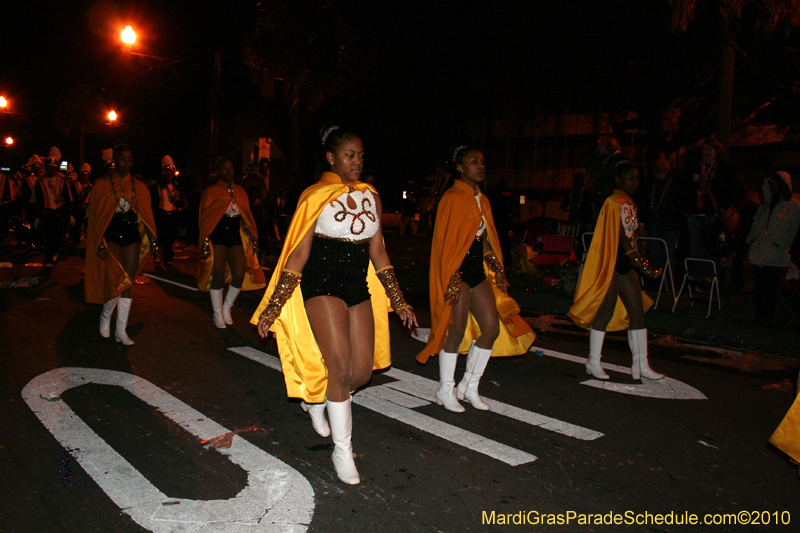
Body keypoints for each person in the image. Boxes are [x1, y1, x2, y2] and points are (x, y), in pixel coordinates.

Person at [252, 126, 417, 485]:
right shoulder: (315, 196)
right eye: (349, 155)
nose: (356, 161)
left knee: (361, 374)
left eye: (360, 155)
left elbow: (378, 251)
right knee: (339, 368)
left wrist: (398, 299)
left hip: (357, 285)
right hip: (321, 283)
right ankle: (343, 451)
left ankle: (317, 402)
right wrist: (274, 305)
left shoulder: (371, 195)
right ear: (331, 157)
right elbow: (298, 252)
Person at [417, 145, 536, 413]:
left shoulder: (482, 199)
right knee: (456, 331)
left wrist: (498, 270)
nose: (480, 166)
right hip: (456, 273)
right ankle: (445, 389)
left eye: (482, 162)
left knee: (491, 329)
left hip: (477, 271)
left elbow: (482, 241)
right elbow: (448, 244)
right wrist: (453, 278)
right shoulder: (452, 197)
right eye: (474, 162)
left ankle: (469, 386)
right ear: (459, 167)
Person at [568, 160, 665, 381]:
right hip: (613, 261)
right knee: (605, 311)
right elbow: (620, 237)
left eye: (638, 178)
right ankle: (593, 361)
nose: (635, 182)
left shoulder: (628, 202)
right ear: (619, 179)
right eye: (631, 178)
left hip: (626, 262)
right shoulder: (613, 202)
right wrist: (640, 262)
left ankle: (641, 365)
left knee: (637, 313)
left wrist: (638, 256)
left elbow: (632, 235)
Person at [85, 144, 157, 345]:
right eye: (123, 159)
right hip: (111, 236)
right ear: (115, 160)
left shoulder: (140, 186)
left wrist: (153, 241)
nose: (127, 163)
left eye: (130, 159)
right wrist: (98, 240)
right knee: (115, 279)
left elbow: (148, 215)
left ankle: (121, 329)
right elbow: (94, 216)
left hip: (131, 236)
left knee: (128, 281)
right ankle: (106, 317)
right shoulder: (101, 184)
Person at [198, 157, 266, 328]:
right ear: (218, 171)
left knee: (239, 273)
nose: (228, 171)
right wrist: (205, 239)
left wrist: (252, 238)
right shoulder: (211, 191)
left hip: (235, 234)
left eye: (231, 168)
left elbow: (246, 217)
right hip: (217, 234)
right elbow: (204, 217)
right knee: (218, 274)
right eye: (224, 168)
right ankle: (217, 312)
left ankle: (227, 307)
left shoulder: (240, 191)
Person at [746, 171, 800, 326]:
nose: (771, 187)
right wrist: (751, 240)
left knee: (769, 288)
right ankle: (759, 317)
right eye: (769, 184)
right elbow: (757, 224)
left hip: (776, 254)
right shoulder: (766, 204)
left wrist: (781, 244)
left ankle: (766, 319)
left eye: (774, 183)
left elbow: (793, 230)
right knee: (760, 287)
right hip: (760, 251)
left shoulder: (793, 206)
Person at [684, 138, 740, 280]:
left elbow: (733, 189)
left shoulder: (723, 168)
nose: (706, 153)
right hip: (696, 213)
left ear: (717, 151)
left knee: (711, 245)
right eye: (704, 150)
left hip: (711, 213)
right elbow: (683, 186)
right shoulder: (696, 166)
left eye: (710, 150)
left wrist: (723, 206)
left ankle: (712, 276)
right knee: (696, 246)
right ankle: (698, 276)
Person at [637, 154, 685, 272]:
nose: (660, 173)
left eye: (663, 170)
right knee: (655, 252)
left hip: (670, 225)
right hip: (655, 223)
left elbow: (679, 205)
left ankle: (668, 280)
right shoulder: (652, 185)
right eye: (658, 171)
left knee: (668, 252)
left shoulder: (674, 185)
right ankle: (656, 278)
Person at [31, 152, 70, 267]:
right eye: (49, 168)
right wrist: (37, 214)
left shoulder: (62, 181)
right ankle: (48, 259)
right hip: (47, 212)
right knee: (48, 236)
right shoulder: (40, 181)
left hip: (59, 211)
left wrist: (68, 213)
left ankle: (54, 253)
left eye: (54, 168)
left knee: (58, 235)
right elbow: (37, 199)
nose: (52, 170)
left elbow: (67, 197)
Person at [151, 155, 186, 267]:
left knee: (170, 238)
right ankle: (156, 254)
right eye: (167, 173)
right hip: (161, 214)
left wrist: (179, 199)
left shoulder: (176, 186)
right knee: (160, 237)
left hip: (173, 215)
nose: (169, 175)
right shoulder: (157, 186)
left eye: (171, 173)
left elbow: (181, 202)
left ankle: (167, 258)